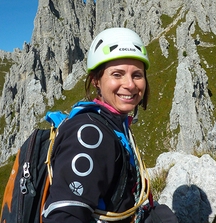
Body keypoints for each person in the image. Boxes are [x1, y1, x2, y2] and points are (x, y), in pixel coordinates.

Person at [42, 27, 178, 223]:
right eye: (117, 74)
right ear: (96, 80)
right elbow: (64, 217)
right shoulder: (89, 134)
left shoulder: (114, 124)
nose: (130, 84)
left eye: (137, 75)